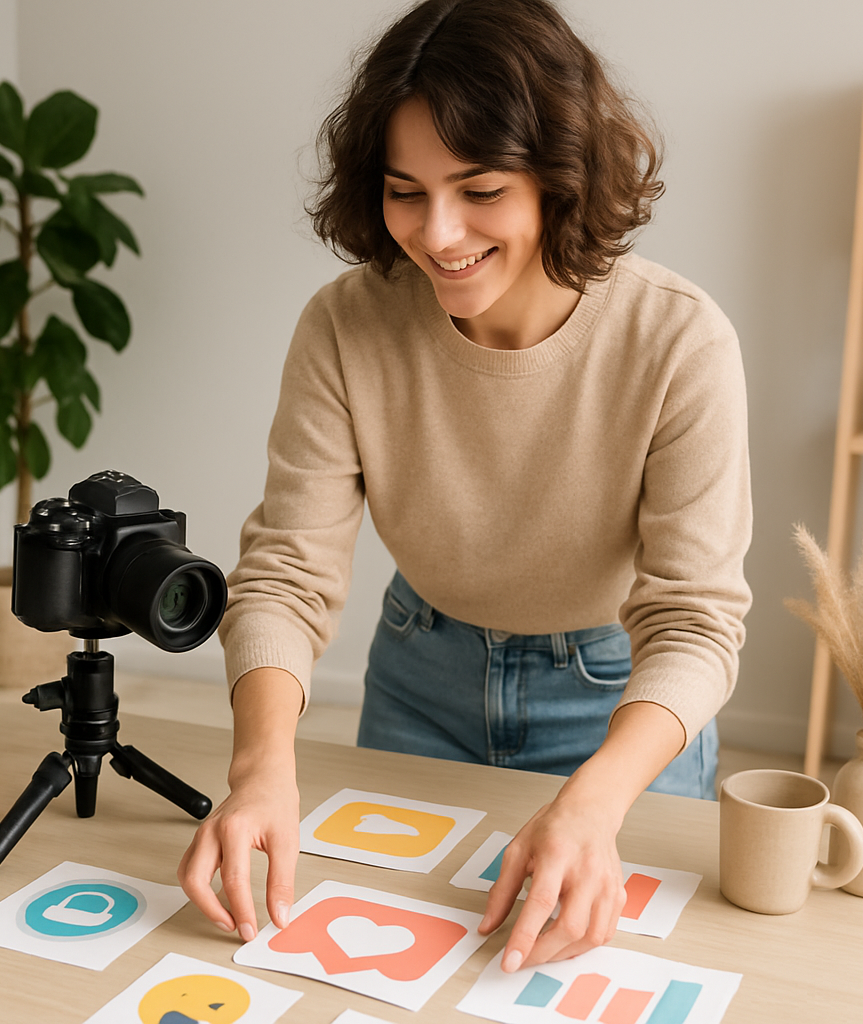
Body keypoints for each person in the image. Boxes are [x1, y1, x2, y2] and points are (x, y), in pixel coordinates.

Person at [179, 0, 751, 973]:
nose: (437, 233)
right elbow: (284, 570)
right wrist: (259, 766)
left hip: (614, 704)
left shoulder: (678, 340)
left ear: (560, 177)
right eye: (405, 191)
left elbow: (695, 622)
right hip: (420, 678)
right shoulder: (345, 326)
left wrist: (596, 797)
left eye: (479, 189)